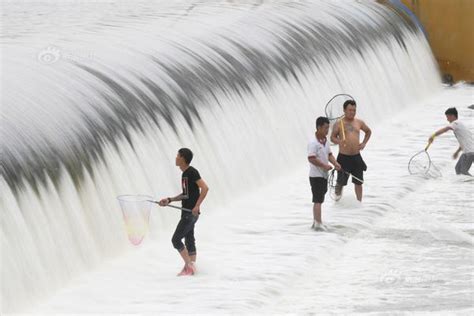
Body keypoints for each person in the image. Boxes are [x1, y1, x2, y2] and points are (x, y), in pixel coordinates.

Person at [159, 148, 209, 276]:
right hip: (189, 213)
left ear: (183, 159)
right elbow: (186, 195)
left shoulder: (191, 172)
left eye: (177, 155)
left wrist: (197, 206)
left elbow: (205, 188)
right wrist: (169, 200)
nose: (175, 158)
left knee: (175, 240)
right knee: (189, 239)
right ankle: (192, 268)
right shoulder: (185, 174)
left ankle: (189, 266)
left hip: (190, 213)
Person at [330, 100, 371, 201]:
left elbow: (368, 131)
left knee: (358, 182)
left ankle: (359, 203)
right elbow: (332, 137)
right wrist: (339, 141)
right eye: (350, 110)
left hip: (356, 157)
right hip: (343, 157)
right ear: (344, 110)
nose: (352, 112)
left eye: (354, 110)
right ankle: (337, 203)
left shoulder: (359, 122)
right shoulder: (339, 124)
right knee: (340, 183)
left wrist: (364, 143)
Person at [308, 116, 341, 230]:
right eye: (326, 128)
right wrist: (324, 165)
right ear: (319, 127)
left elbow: (329, 155)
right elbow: (311, 158)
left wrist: (335, 163)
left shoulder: (325, 142)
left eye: (328, 128)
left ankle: (316, 222)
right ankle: (318, 223)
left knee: (320, 198)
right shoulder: (313, 143)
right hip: (316, 175)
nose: (328, 131)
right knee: (317, 199)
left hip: (323, 175)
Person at [428, 107, 473, 175]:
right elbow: (464, 142)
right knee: (457, 169)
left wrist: (433, 135)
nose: (447, 119)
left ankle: (470, 183)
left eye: (447, 117)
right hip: (468, 151)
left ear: (452, 116)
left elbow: (446, 129)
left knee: (463, 172)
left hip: (469, 152)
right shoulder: (461, 126)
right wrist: (457, 152)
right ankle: (463, 184)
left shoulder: (456, 123)